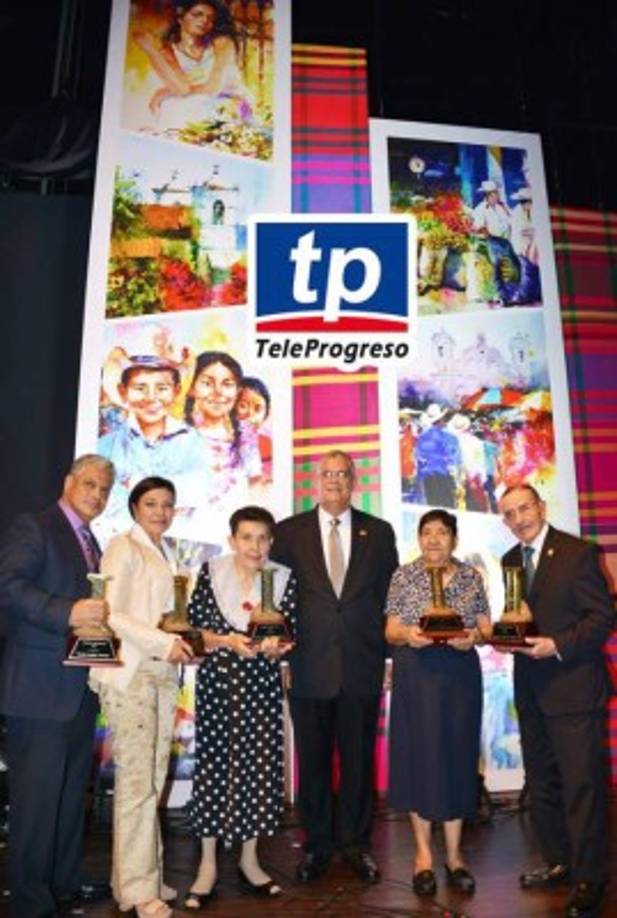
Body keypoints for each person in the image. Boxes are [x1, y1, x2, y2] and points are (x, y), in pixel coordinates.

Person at [271, 450, 398, 884]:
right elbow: (277, 601)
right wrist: (284, 658)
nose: (335, 480)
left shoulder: (378, 532)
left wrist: (388, 657)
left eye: (343, 474)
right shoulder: (288, 532)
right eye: (327, 474)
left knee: (359, 762)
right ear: (315, 481)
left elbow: (390, 597)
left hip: (363, 664)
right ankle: (318, 845)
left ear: (353, 481)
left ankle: (357, 844)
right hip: (308, 665)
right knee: (314, 762)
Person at [0, 454, 115, 917]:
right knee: (36, 803)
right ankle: (30, 900)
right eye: (89, 484)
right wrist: (66, 611)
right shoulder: (36, 526)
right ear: (68, 482)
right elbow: (7, 585)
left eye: (104, 490)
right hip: (38, 690)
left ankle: (63, 881)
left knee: (68, 799)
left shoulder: (92, 542)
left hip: (78, 691)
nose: (96, 495)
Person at [498, 484, 615, 918]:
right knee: (543, 784)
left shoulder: (578, 552)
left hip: (574, 689)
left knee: (582, 786)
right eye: (510, 514)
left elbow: (602, 618)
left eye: (525, 508)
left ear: (541, 507)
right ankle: (559, 861)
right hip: (531, 691)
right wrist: (504, 638)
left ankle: (591, 877)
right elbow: (518, 618)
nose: (519, 519)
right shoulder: (510, 560)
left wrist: (557, 644)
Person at [90, 476, 193, 918]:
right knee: (136, 784)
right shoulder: (122, 546)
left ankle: (138, 878)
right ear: (135, 507)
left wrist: (181, 642)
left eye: (167, 504)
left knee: (151, 780)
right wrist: (163, 642)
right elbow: (110, 612)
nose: (160, 512)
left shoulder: (166, 551)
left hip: (160, 673)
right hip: (129, 671)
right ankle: (137, 890)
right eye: (151, 504)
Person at [184, 505, 296, 908]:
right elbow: (195, 629)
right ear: (232, 540)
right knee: (214, 768)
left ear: (271, 541)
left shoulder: (282, 577)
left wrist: (277, 647)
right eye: (247, 537)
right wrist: (228, 641)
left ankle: (250, 860)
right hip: (219, 683)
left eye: (263, 538)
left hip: (261, 685)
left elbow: (290, 632)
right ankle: (207, 865)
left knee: (259, 768)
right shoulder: (211, 572)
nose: (255, 546)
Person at [385, 509, 490, 897]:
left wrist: (474, 638)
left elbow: (485, 626)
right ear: (419, 538)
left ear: (454, 539)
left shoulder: (470, 576)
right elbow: (390, 630)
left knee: (458, 758)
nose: (433, 539)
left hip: (460, 675)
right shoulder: (403, 576)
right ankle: (424, 856)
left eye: (441, 532)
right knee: (421, 757)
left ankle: (456, 856)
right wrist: (408, 635)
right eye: (426, 532)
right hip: (417, 674)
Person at [98, 354, 203, 533]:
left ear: (176, 391)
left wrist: (133, 483)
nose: (151, 397)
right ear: (123, 391)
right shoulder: (106, 445)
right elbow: (107, 505)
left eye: (162, 388)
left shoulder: (194, 442)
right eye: (140, 388)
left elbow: (195, 494)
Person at [134, 0, 252, 131]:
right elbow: (181, 89)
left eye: (210, 18)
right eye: (197, 15)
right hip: (196, 107)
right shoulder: (169, 52)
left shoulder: (222, 43)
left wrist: (165, 92)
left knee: (187, 105)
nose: (204, 21)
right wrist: (151, 50)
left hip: (230, 103)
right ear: (180, 17)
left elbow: (213, 87)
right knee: (172, 107)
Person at [184, 350, 262, 541]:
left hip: (237, 537)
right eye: (207, 383)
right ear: (191, 388)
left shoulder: (245, 433)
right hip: (188, 535)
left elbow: (255, 485)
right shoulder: (178, 433)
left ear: (238, 390)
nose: (218, 392)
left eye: (227, 384)